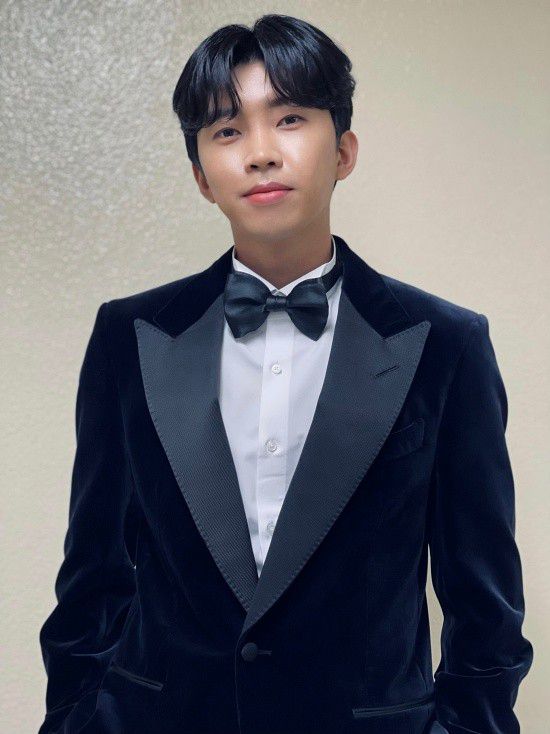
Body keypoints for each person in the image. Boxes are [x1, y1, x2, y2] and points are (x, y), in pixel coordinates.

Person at [38, 13, 533, 734]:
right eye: (226, 131)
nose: (261, 153)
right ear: (201, 176)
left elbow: (485, 606)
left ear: (344, 151)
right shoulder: (130, 336)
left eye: (291, 118)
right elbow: (92, 580)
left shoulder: (446, 344)